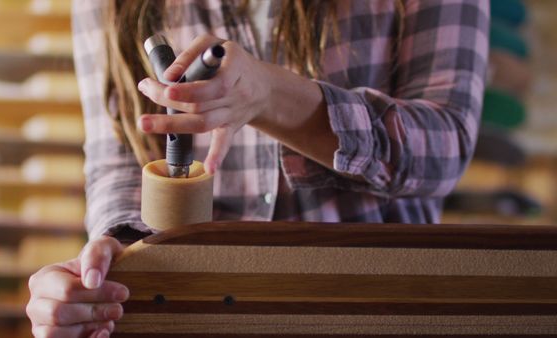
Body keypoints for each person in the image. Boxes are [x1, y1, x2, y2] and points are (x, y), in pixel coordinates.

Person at [27, 0, 489, 337]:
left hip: (375, 310)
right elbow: (120, 158)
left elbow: (444, 149)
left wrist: (271, 95)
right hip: (194, 316)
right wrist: (108, 266)